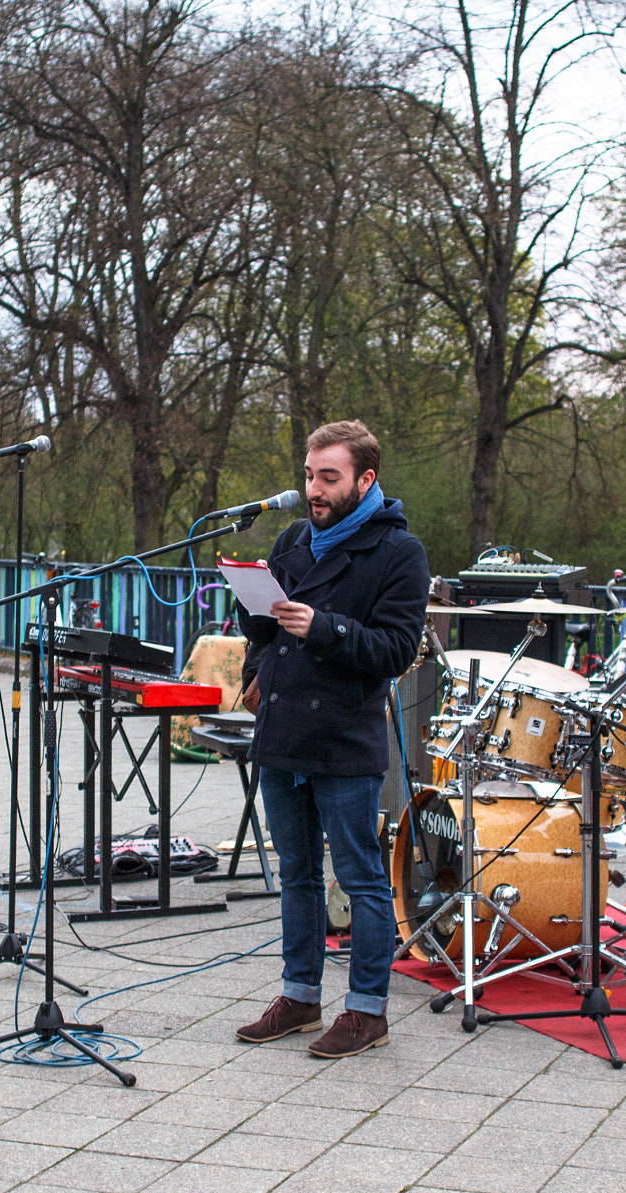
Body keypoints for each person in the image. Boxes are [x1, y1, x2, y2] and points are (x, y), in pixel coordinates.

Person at [233, 420, 429, 1059]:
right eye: (310, 476)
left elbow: (396, 651)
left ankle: (368, 1010)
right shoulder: (295, 537)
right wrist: (253, 626)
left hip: (345, 737)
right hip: (283, 731)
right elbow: (266, 631)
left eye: (329, 478)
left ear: (365, 480)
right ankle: (299, 997)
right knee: (295, 873)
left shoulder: (399, 553)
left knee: (360, 877)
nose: (314, 490)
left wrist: (323, 627)